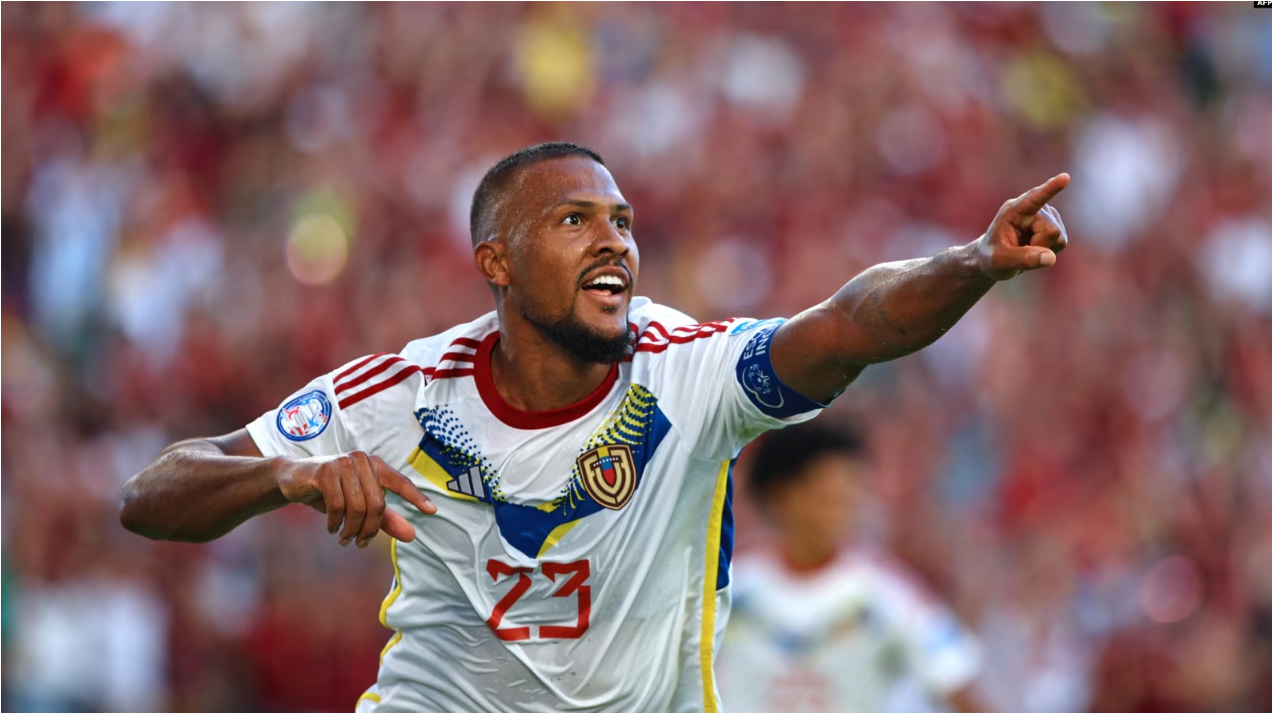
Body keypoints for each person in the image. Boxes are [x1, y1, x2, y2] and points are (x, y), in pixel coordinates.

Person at [118, 142, 1069, 712]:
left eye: (620, 220)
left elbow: (849, 324)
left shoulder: (691, 371)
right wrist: (284, 476)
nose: (614, 240)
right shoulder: (402, 391)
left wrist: (971, 264)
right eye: (574, 221)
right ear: (497, 261)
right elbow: (153, 495)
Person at [716, 423, 984, 713]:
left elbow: (955, 680)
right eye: (828, 497)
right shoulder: (731, 590)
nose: (844, 510)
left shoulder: (885, 592)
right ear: (782, 496)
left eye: (849, 496)